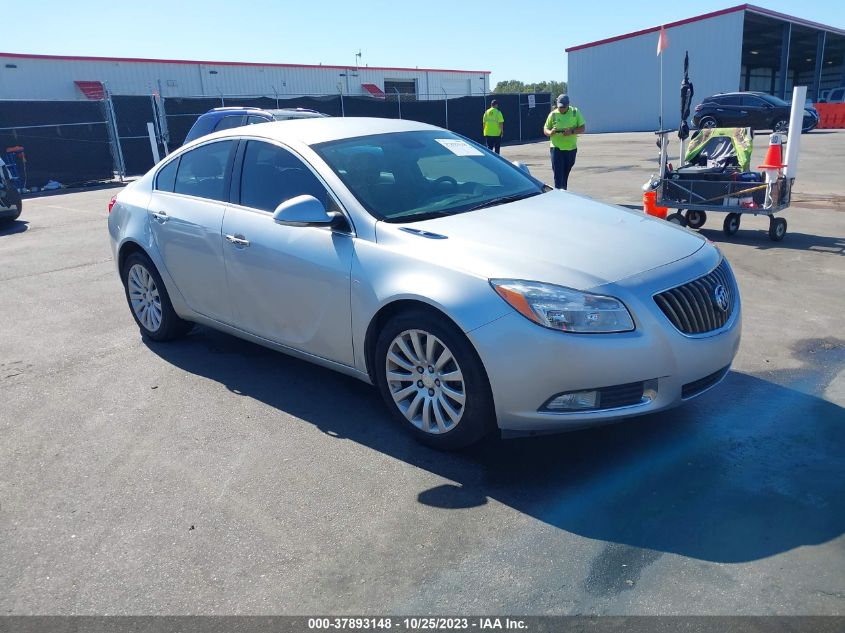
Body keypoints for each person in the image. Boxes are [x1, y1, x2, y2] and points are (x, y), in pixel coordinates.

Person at [544, 94, 586, 190]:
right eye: (560, 107)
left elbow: (582, 128)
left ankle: (563, 190)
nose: (561, 109)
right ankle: (559, 193)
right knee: (558, 174)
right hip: (556, 148)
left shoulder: (575, 112)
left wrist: (571, 132)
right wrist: (550, 132)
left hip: (571, 148)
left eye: (563, 107)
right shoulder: (553, 114)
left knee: (565, 172)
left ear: (568, 105)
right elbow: (545, 128)